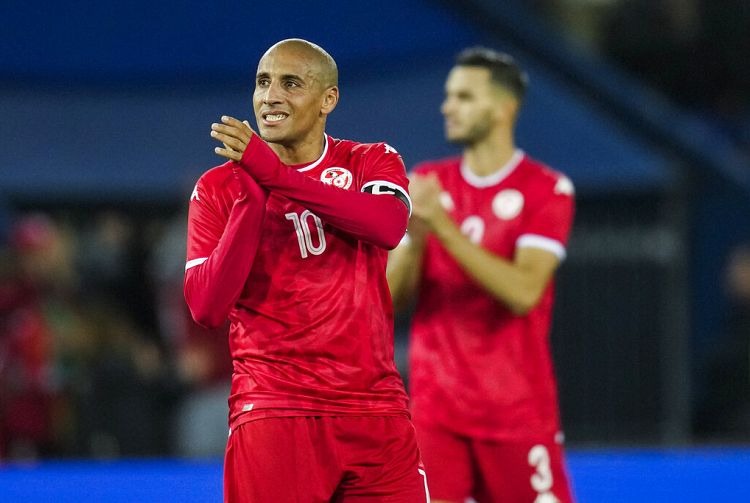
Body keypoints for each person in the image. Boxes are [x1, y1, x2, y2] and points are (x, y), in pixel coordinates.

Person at [183, 38, 428, 502]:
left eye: (290, 83)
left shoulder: (369, 160)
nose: (270, 96)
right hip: (276, 409)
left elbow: (387, 225)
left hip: (375, 412)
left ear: (328, 99)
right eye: (262, 82)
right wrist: (252, 197)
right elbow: (206, 307)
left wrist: (274, 176)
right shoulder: (218, 187)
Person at [387, 47, 576, 503]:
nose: (446, 106)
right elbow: (387, 302)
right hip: (436, 415)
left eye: (464, 96)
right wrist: (414, 236)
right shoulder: (429, 183)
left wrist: (443, 228)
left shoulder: (546, 189)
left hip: (516, 414)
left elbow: (524, 291)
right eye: (449, 95)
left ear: (503, 108)